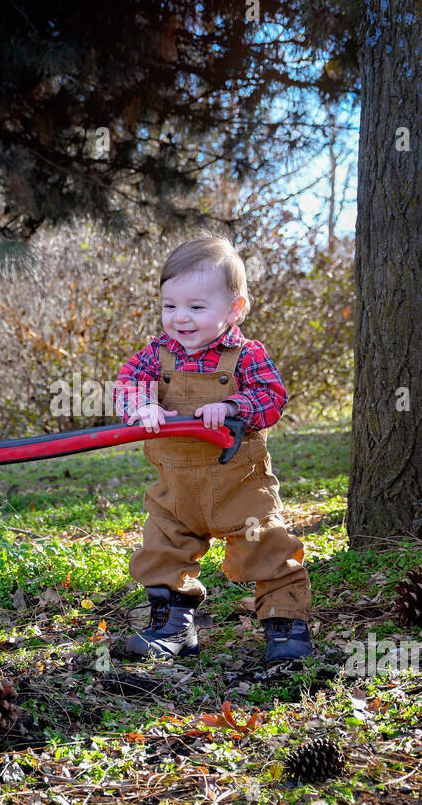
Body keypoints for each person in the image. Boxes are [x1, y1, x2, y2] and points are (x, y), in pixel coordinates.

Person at [113, 236, 313, 662]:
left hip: (239, 483)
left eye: (196, 308)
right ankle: (173, 626)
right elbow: (126, 383)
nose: (180, 318)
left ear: (233, 309)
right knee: (162, 546)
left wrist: (232, 405)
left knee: (268, 545)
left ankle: (284, 624)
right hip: (176, 488)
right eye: (170, 306)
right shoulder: (155, 355)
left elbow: (272, 396)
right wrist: (142, 404)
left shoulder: (245, 356)